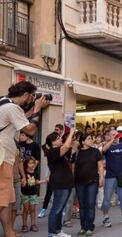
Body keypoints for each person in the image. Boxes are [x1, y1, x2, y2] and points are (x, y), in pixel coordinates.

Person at [0, 81, 48, 237]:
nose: (33, 99)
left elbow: (21, 119)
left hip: (5, 158)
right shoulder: (12, 108)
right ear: (26, 95)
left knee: (6, 199)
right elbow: (31, 130)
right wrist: (38, 109)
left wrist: (33, 108)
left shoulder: (3, 102)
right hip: (2, 158)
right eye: (32, 96)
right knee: (3, 198)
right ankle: (8, 232)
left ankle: (8, 231)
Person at [42, 128, 75, 237]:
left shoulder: (57, 150)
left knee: (60, 209)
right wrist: (70, 133)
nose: (60, 139)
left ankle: (58, 231)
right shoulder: (52, 151)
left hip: (66, 182)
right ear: (52, 142)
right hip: (60, 184)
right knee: (57, 208)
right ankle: (52, 232)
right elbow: (66, 146)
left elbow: (69, 146)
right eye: (58, 138)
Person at [101, 129, 122, 228]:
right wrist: (111, 140)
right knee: (107, 199)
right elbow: (103, 150)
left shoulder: (121, 145)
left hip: (120, 175)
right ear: (109, 136)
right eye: (113, 135)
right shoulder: (107, 145)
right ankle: (106, 217)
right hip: (110, 176)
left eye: (116, 134)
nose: (115, 136)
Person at [74, 133, 104, 236]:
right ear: (83, 142)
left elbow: (100, 166)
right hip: (79, 182)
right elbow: (73, 168)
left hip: (93, 181)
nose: (91, 140)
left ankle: (90, 226)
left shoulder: (96, 152)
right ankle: (83, 227)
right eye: (89, 139)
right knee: (82, 205)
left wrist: (101, 178)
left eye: (91, 138)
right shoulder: (77, 153)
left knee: (90, 204)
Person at [20, 157, 46, 233]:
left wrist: (45, 180)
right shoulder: (24, 172)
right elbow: (22, 182)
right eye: (30, 163)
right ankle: (24, 225)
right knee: (25, 209)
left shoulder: (36, 172)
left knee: (33, 210)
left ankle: (33, 224)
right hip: (25, 193)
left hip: (33, 194)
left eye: (33, 163)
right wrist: (22, 182)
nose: (32, 165)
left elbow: (36, 182)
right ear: (26, 164)